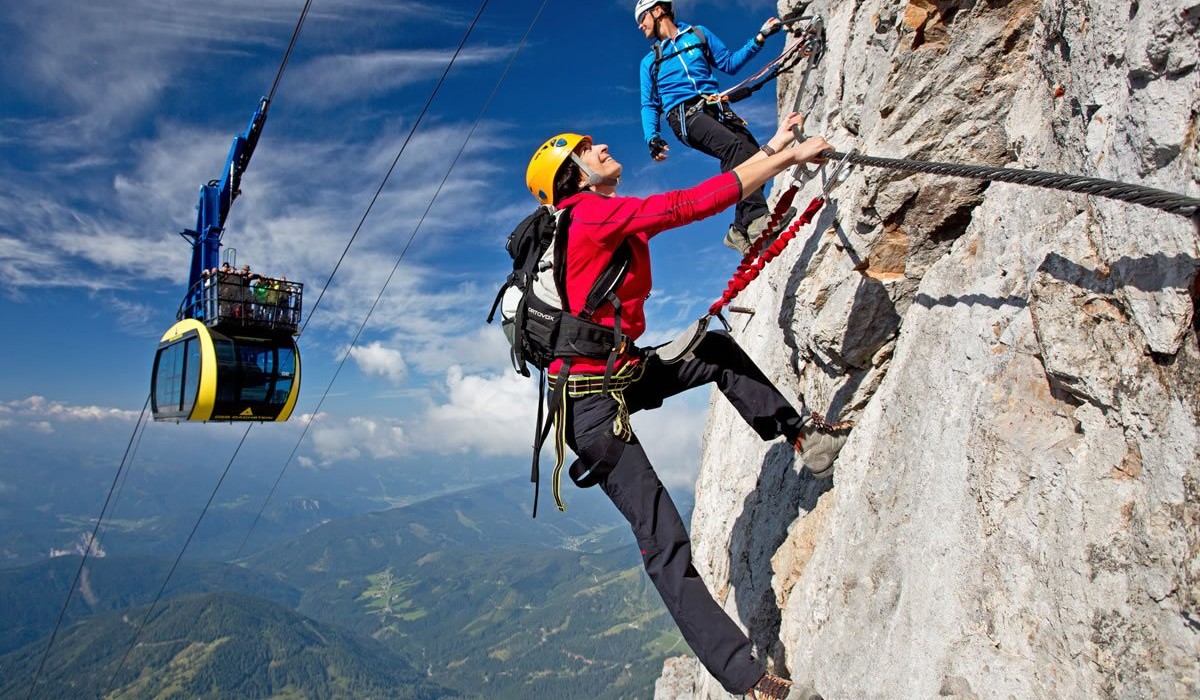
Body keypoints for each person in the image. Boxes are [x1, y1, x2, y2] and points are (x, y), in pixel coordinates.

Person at [524, 113, 852, 700]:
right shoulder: (591, 215)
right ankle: (748, 681)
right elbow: (685, 206)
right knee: (665, 541)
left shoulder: (598, 220)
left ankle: (801, 436)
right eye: (586, 148)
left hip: (614, 378)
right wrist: (783, 162)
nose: (601, 145)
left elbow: (680, 207)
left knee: (711, 348)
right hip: (593, 408)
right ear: (574, 177)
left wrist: (770, 149)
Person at [636, 0, 784, 254]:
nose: (640, 26)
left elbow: (729, 63)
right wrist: (653, 137)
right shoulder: (650, 61)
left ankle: (738, 229)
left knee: (753, 153)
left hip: (716, 108)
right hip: (683, 115)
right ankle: (758, 218)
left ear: (658, 10)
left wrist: (759, 38)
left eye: (642, 18)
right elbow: (649, 104)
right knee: (733, 148)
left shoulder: (698, 35)